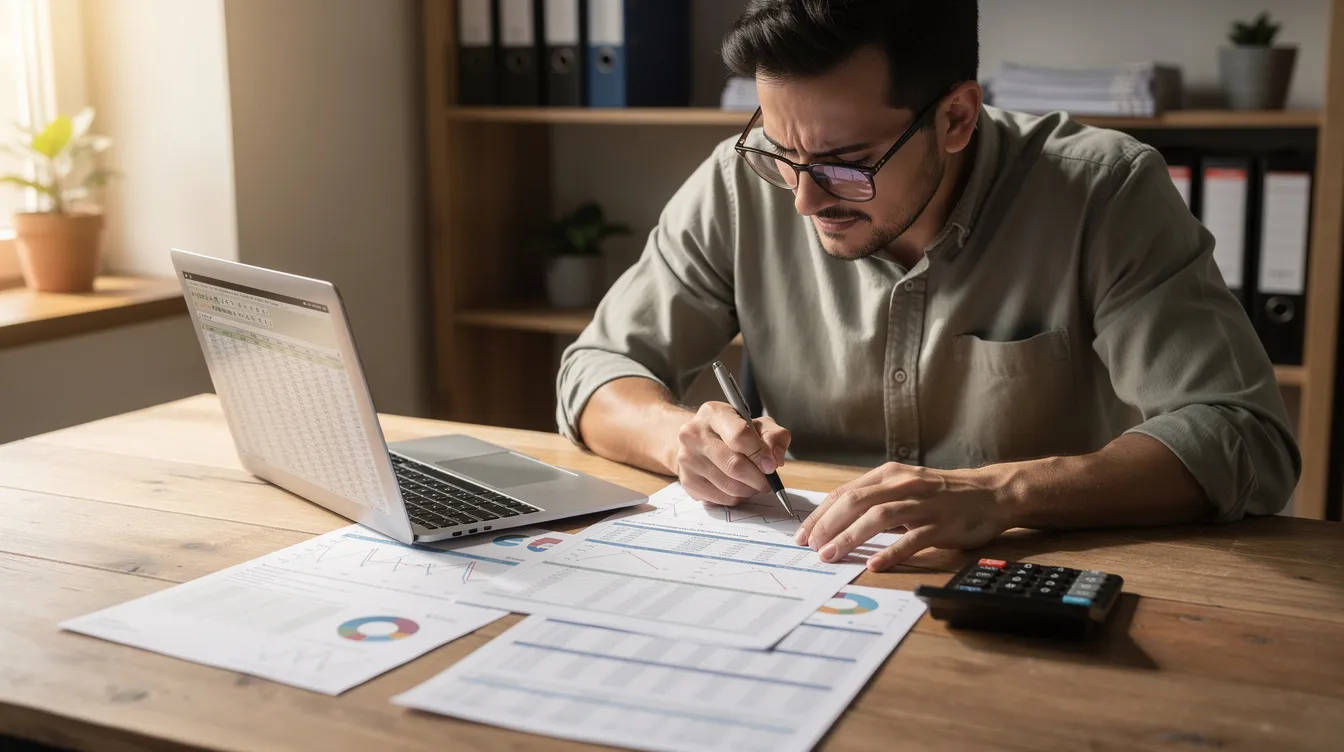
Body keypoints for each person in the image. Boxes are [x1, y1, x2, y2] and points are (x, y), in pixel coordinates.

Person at [554, 0, 1299, 571]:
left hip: (1026, 586)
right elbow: (594, 372)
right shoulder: (741, 183)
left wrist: (1002, 494)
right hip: (812, 577)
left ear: (955, 117)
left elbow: (1242, 437)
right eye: (780, 152)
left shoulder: (1101, 193)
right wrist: (678, 439)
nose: (804, 201)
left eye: (846, 163)